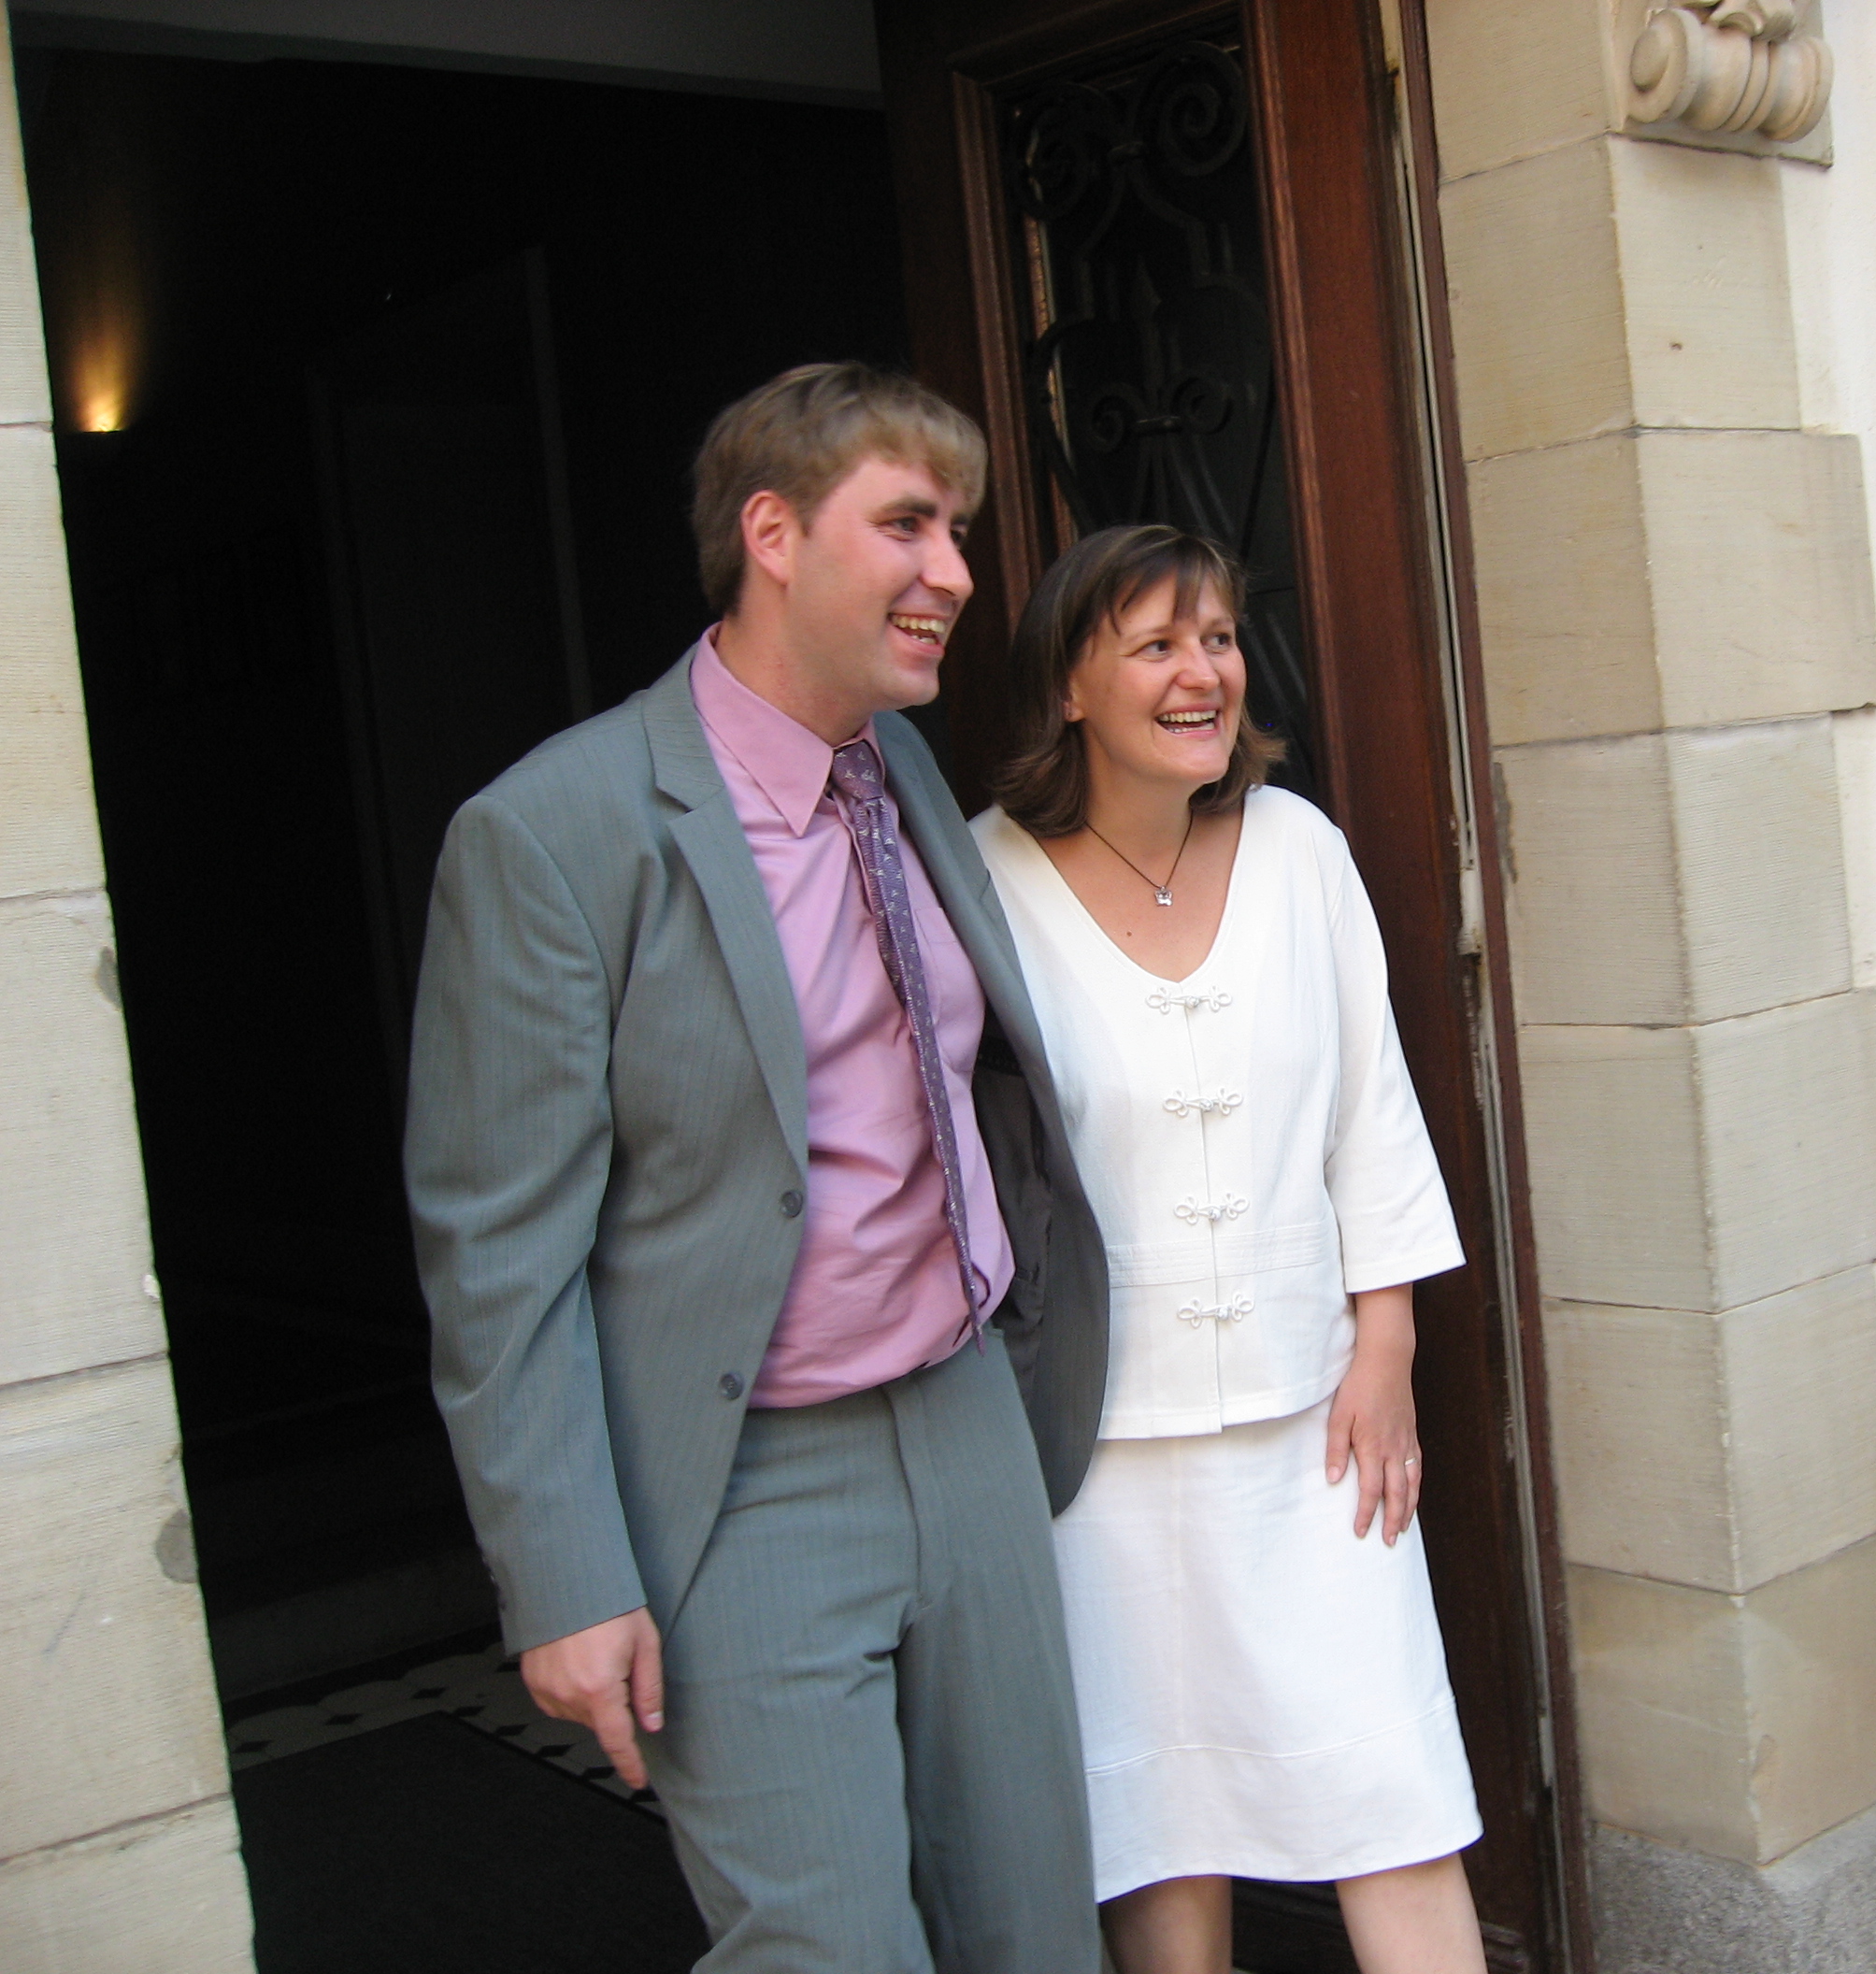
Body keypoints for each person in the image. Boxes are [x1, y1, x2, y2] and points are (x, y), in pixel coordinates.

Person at [405, 363, 1108, 1973]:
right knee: (826, 1948)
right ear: (772, 535)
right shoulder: (555, 831)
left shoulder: (898, 763)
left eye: (961, 530)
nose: (956, 572)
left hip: (968, 1426)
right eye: (909, 525)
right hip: (744, 1477)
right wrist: (563, 1577)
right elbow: (497, 1252)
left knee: (1033, 1929)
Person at [969, 523, 1486, 1974]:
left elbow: (1371, 1107)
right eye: (1156, 645)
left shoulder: (1300, 849)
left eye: (1218, 638)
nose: (1202, 672)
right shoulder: (981, 880)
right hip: (1095, 1453)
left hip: (1317, 1429)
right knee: (1158, 1834)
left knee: (1392, 1798)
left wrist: (1386, 1346)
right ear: (1069, 685)